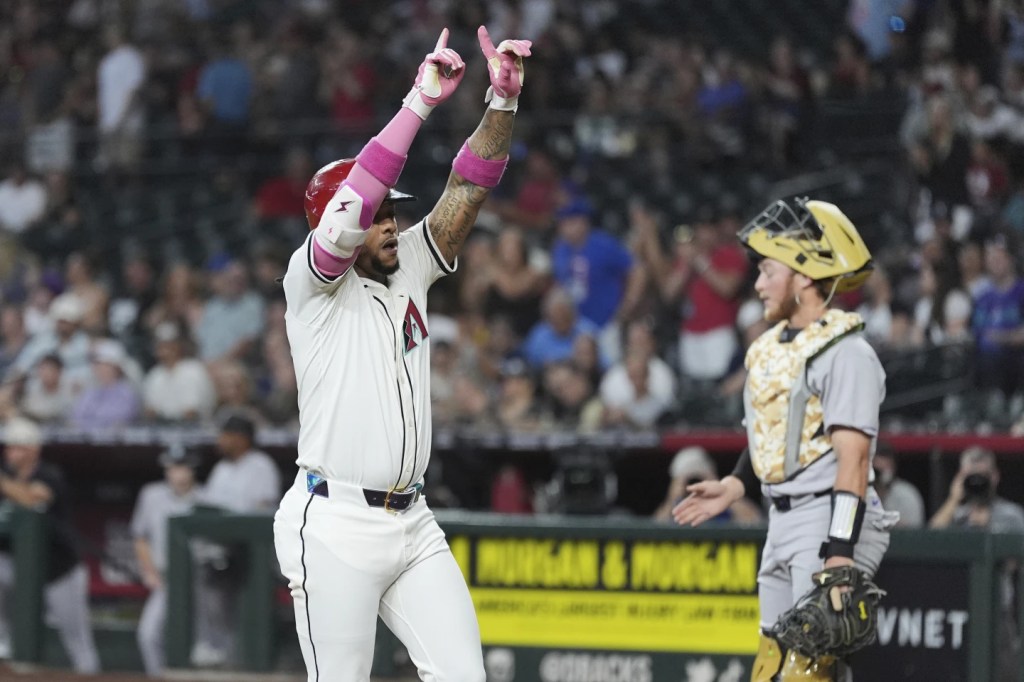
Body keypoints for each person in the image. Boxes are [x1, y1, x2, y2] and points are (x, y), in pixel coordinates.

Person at [273, 26, 531, 681]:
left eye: (395, 213)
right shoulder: (310, 285)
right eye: (380, 215)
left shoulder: (409, 263)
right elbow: (357, 196)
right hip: (333, 523)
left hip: (413, 522)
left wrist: (501, 103)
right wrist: (419, 103)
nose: (391, 223)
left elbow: (469, 188)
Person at [673, 198, 896, 681]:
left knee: (808, 669)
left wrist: (839, 552)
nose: (756, 285)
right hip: (782, 517)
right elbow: (771, 437)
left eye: (768, 270)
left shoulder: (847, 352)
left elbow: (853, 463)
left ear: (804, 275)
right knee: (771, 666)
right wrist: (736, 485)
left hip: (827, 516)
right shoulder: (770, 348)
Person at [0, 416, 100, 673]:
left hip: (59, 571)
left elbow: (32, 498)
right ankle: (4, 641)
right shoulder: (7, 474)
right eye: (9, 447)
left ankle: (89, 672)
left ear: (34, 449)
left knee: (77, 641)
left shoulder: (49, 474)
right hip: (21, 571)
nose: (11, 452)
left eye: (17, 447)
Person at [929, 446, 1024, 682]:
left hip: (998, 610)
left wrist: (986, 529)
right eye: (972, 475)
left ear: (995, 476)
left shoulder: (1010, 514)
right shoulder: (956, 514)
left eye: (983, 475)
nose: (978, 481)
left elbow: (1014, 563)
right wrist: (953, 498)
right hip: (953, 611)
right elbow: (929, 541)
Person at [192, 414, 280, 667]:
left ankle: (245, 656)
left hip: (253, 552)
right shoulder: (221, 469)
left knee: (241, 607)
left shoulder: (261, 465)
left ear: (241, 439)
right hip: (222, 548)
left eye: (226, 435)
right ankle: (217, 649)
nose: (220, 441)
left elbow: (264, 509)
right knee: (212, 593)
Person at [130, 443, 202, 676]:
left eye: (183, 467)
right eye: (173, 467)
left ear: (193, 469)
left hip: (201, 581)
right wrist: (150, 571)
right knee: (148, 634)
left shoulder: (207, 498)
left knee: (203, 646)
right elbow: (140, 537)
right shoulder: (151, 495)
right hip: (167, 579)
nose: (178, 473)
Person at [652, 446, 763, 525]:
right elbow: (656, 528)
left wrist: (722, 489)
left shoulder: (723, 504)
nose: (694, 483)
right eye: (688, 479)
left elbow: (756, 520)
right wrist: (673, 497)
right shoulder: (674, 506)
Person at [873, 443, 925, 528]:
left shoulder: (907, 494)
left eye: (885, 469)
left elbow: (915, 531)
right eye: (877, 470)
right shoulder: (864, 493)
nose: (880, 475)